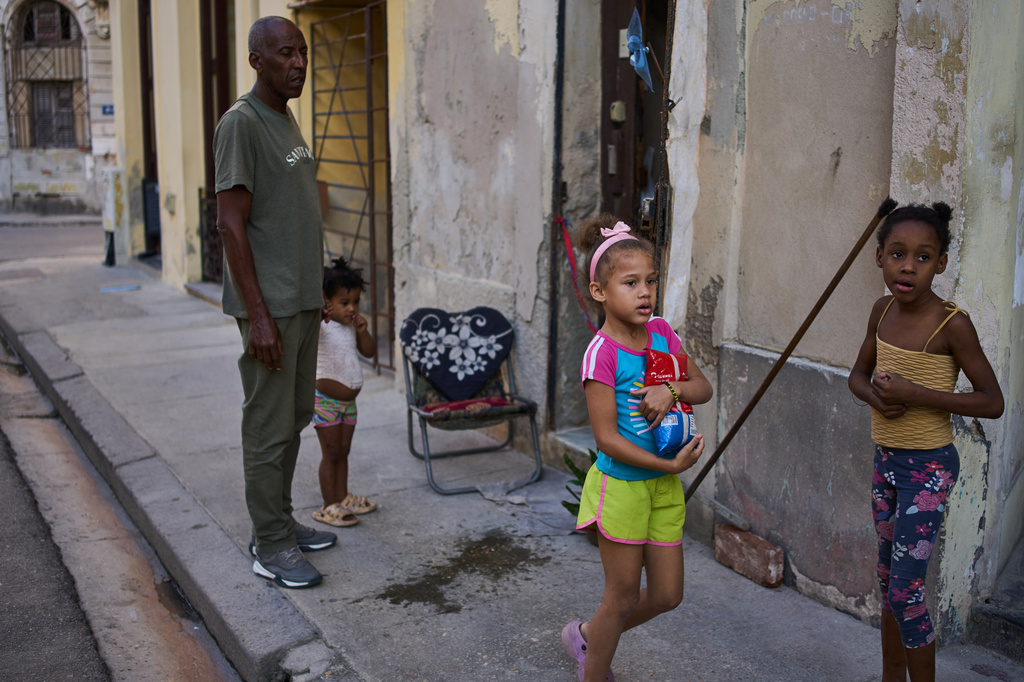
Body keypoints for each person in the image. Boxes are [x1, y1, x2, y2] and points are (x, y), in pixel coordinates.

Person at [848, 199, 1003, 682]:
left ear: (940, 263)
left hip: (928, 469)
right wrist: (876, 398)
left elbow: (992, 401)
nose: (908, 266)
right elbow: (857, 376)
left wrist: (918, 394)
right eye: (897, 254)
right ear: (879, 258)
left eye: (922, 256)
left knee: (907, 592)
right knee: (889, 583)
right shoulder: (881, 310)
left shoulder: (951, 323)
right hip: (886, 463)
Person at [215, 16, 337, 589]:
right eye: (285, 53)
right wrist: (258, 315)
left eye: (303, 52)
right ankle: (269, 544)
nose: (298, 63)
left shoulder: (284, 118)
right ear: (256, 60)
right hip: (272, 308)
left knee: (291, 419)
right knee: (267, 428)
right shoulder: (241, 124)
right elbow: (230, 227)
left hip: (301, 301)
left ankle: (279, 524)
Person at [563, 214, 713, 682]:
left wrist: (671, 391)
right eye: (630, 283)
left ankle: (590, 635)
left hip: (663, 487)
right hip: (623, 488)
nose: (645, 292)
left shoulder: (663, 334)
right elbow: (606, 438)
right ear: (600, 291)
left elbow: (701, 387)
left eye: (650, 280)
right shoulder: (601, 353)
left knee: (668, 594)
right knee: (623, 595)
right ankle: (595, 667)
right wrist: (667, 463)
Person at [311, 257, 378, 527]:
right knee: (331, 453)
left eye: (355, 302)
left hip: (349, 404)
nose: (352, 309)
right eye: (344, 303)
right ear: (327, 303)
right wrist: (320, 313)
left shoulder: (352, 326)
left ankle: (342, 497)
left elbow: (370, 352)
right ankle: (329, 506)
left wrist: (363, 331)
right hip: (326, 402)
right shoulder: (322, 326)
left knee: (344, 451)